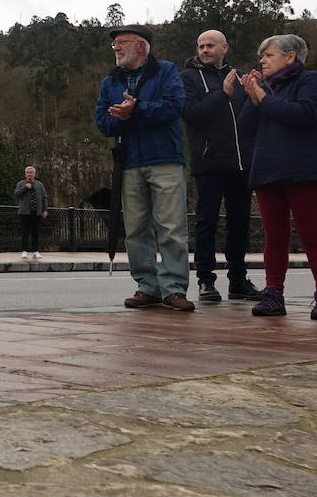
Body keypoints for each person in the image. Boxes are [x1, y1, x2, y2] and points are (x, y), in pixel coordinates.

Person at [94, 25, 194, 312]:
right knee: (136, 229)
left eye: (121, 43)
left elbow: (174, 106)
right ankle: (147, 286)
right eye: (114, 44)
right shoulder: (109, 82)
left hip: (165, 158)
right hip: (130, 162)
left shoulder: (165, 71)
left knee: (171, 226)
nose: (116, 48)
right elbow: (102, 122)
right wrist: (124, 117)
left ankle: (174, 288)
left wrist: (136, 110)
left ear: (141, 46)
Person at [239, 34, 317, 320]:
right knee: (274, 236)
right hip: (268, 170)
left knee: (312, 234)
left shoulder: (312, 81)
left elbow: (304, 114)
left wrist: (261, 97)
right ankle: (273, 293)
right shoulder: (265, 89)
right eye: (262, 55)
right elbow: (246, 127)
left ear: (290, 56)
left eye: (268, 55)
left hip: (303, 169)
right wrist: (252, 97)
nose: (262, 60)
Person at [181, 29, 262, 302]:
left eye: (210, 45)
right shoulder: (189, 78)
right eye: (201, 45)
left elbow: (251, 121)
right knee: (207, 222)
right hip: (209, 162)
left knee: (239, 223)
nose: (204, 50)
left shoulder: (238, 78)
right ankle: (206, 281)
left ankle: (238, 280)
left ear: (224, 47)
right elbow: (191, 115)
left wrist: (254, 96)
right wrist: (223, 95)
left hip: (241, 164)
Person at [14, 166, 48, 260]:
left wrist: (45, 210)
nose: (29, 174)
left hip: (36, 212)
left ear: (34, 174)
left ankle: (35, 251)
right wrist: (25, 188)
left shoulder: (39, 184)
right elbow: (16, 194)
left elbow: (44, 198)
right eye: (28, 173)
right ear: (25, 174)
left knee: (35, 232)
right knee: (25, 231)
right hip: (24, 212)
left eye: (31, 173)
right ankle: (24, 251)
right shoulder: (21, 183)